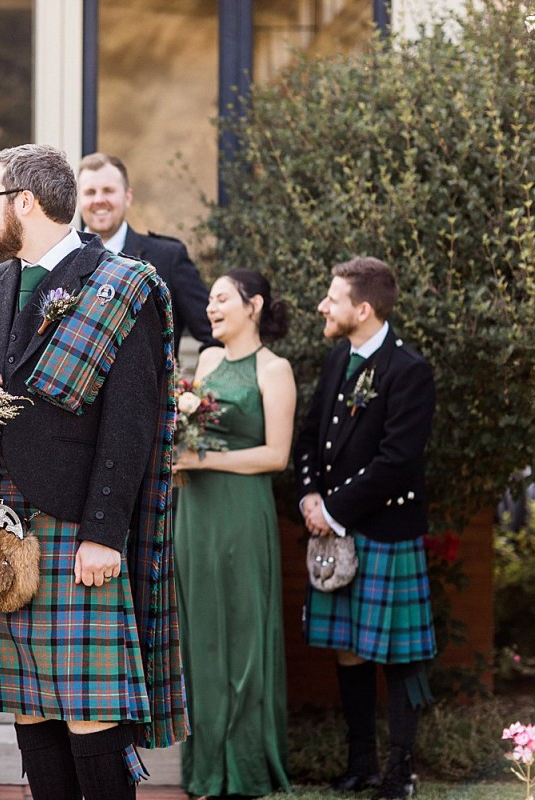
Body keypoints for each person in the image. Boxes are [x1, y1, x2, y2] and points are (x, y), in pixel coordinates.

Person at [0, 144, 185, 800]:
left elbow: (131, 422)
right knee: (30, 705)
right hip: (2, 526)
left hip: (74, 526)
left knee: (90, 708)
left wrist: (104, 532)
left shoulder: (120, 283)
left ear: (24, 203)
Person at [295, 257, 436, 800]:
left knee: (398, 655)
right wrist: (310, 495)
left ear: (363, 308)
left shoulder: (408, 370)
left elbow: (397, 460)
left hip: (384, 531)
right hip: (337, 530)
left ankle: (401, 775)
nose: (324, 307)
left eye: (333, 299)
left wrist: (331, 511)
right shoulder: (339, 359)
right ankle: (362, 765)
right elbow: (310, 437)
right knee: (347, 649)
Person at [171, 268, 296, 798]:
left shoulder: (275, 369)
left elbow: (277, 454)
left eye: (223, 300)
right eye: (212, 302)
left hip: (242, 514)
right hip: (195, 515)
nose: (212, 308)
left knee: (245, 635)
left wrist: (204, 459)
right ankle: (205, 771)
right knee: (200, 637)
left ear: (254, 306)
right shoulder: (209, 360)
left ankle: (245, 770)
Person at [77, 152, 215, 349]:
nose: (99, 199)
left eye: (108, 190)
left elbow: (215, 333)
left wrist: (206, 367)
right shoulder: (64, 258)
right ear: (78, 200)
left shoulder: (168, 258)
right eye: (90, 192)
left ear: (128, 197)